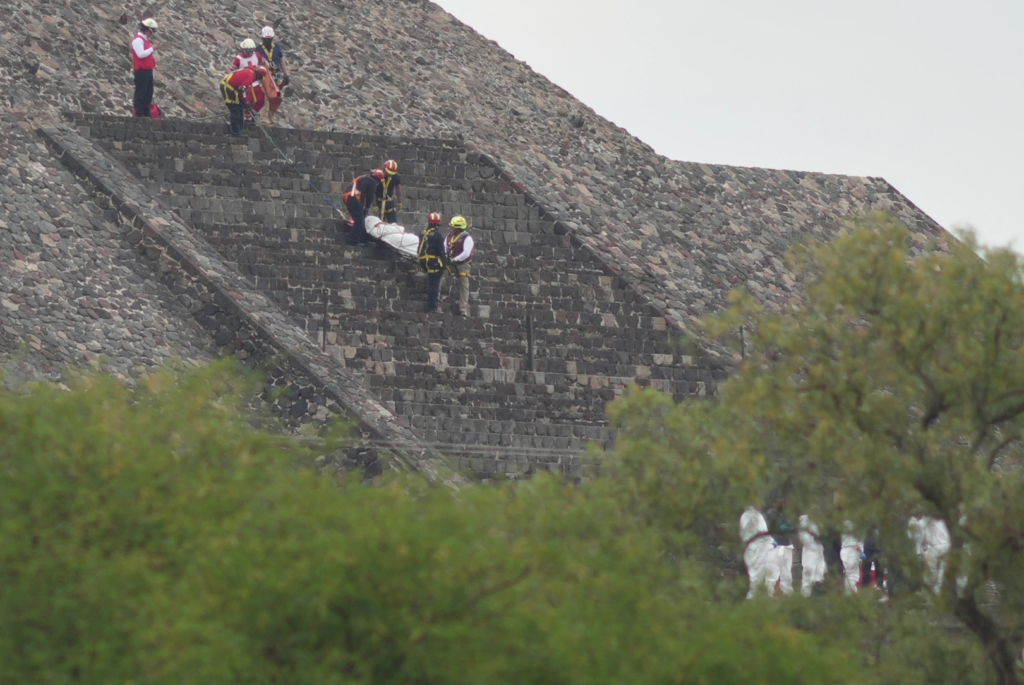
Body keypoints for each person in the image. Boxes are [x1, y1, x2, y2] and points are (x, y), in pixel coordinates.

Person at [220, 65, 268, 136]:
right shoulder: (251, 76)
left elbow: (243, 89)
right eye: (260, 78)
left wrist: (245, 103)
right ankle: (235, 132)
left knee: (240, 107)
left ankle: (239, 129)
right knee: (235, 108)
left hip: (231, 87)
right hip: (229, 88)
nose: (258, 80)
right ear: (258, 75)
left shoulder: (249, 72)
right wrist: (246, 102)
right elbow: (241, 89)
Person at [740, 506, 776, 599]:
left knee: (769, 573)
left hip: (764, 545)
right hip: (756, 547)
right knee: (756, 577)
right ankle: (752, 599)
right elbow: (754, 533)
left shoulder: (757, 515)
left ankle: (768, 596)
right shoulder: (748, 516)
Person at [343, 169, 384, 246]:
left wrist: (362, 208)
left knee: (359, 219)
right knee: (359, 221)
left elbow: (361, 195)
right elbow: (370, 196)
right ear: (378, 179)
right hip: (353, 197)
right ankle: (354, 241)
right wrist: (367, 208)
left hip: (347, 196)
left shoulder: (363, 179)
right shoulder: (373, 182)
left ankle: (361, 239)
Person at [257, 26, 288, 126]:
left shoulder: (277, 47)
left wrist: (286, 74)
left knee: (275, 97)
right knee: (265, 97)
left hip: (275, 76)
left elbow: (281, 60)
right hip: (264, 77)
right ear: (262, 39)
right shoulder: (258, 49)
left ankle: (271, 117)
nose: (268, 41)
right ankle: (264, 118)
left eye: (269, 39)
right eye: (266, 39)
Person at [445, 215, 474, 316]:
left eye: (452, 227)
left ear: (457, 228)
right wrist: (446, 256)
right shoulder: (449, 237)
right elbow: (444, 247)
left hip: (463, 264)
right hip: (450, 263)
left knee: (464, 286)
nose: (450, 228)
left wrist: (455, 259)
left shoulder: (467, 238)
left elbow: (466, 253)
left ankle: (463, 309)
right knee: (440, 274)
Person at [417, 213, 446, 312]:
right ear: (437, 224)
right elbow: (441, 251)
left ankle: (431, 305)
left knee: (431, 282)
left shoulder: (422, 232)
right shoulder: (438, 235)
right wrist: (444, 265)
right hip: (433, 262)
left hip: (423, 261)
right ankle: (432, 307)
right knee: (434, 285)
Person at [231, 39, 265, 124]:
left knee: (261, 99)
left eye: (251, 51)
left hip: (255, 82)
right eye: (247, 51)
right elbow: (232, 72)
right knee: (247, 100)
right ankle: (246, 117)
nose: (250, 53)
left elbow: (264, 64)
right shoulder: (238, 59)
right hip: (245, 83)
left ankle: (252, 114)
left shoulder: (257, 55)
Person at [764, 505, 795, 596]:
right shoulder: (769, 515)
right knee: (772, 576)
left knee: (787, 575)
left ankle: (788, 595)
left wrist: (786, 528)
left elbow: (792, 528)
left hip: (786, 547)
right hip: (775, 548)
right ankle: (768, 597)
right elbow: (768, 530)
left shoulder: (784, 515)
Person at [131, 18, 159, 118]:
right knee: (141, 91)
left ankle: (146, 112)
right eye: (150, 31)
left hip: (147, 69)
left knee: (148, 92)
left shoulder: (144, 40)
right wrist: (152, 48)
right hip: (141, 69)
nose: (151, 34)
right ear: (146, 30)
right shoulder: (138, 40)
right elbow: (141, 54)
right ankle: (139, 112)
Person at [798, 514, 827, 597]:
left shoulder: (817, 522)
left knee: (820, 572)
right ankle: (805, 595)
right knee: (809, 572)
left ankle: (817, 593)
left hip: (818, 549)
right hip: (810, 551)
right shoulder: (804, 522)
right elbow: (804, 538)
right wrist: (813, 539)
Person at [840, 521, 864, 594]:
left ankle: (848, 592)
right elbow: (859, 542)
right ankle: (852, 593)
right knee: (851, 574)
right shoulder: (855, 526)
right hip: (852, 551)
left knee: (848, 574)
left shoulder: (843, 525)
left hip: (845, 550)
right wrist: (861, 552)